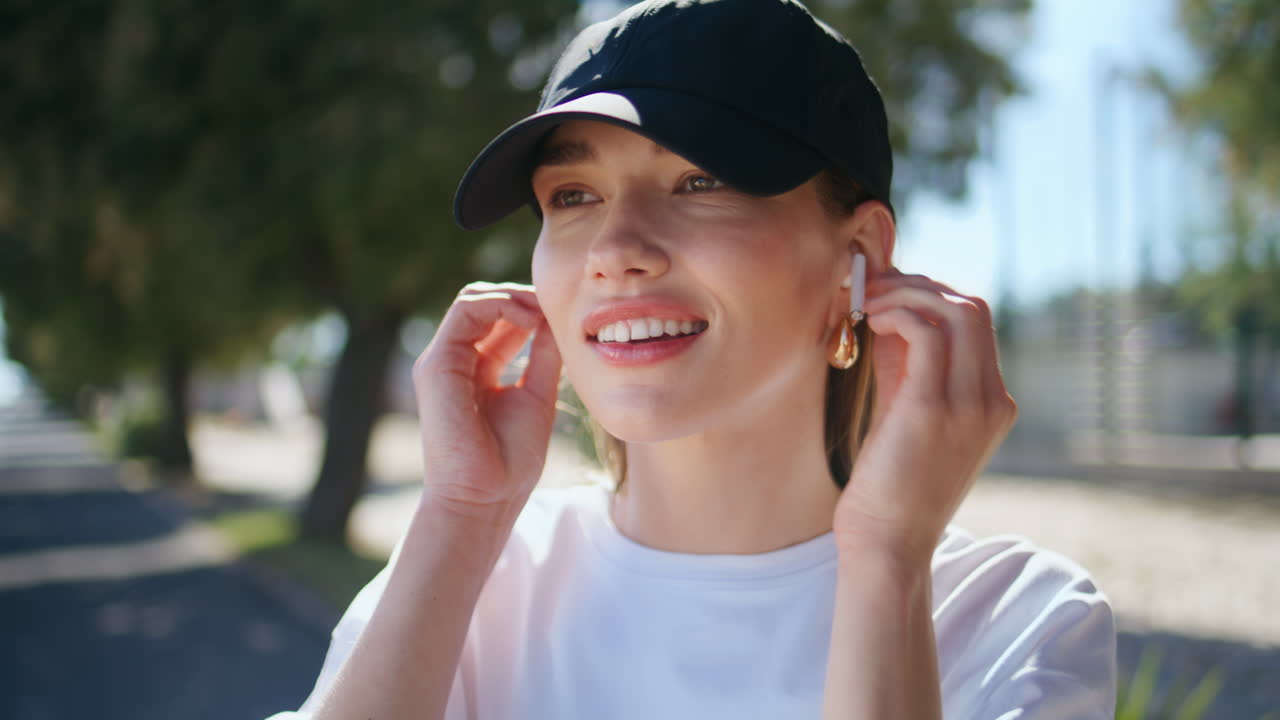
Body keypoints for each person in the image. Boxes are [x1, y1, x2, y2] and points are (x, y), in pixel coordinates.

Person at [269, 0, 1116, 717]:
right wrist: (459, 514)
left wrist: (887, 559)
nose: (616, 248)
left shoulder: (1016, 621)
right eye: (572, 196)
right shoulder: (467, 581)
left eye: (702, 180)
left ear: (857, 255)